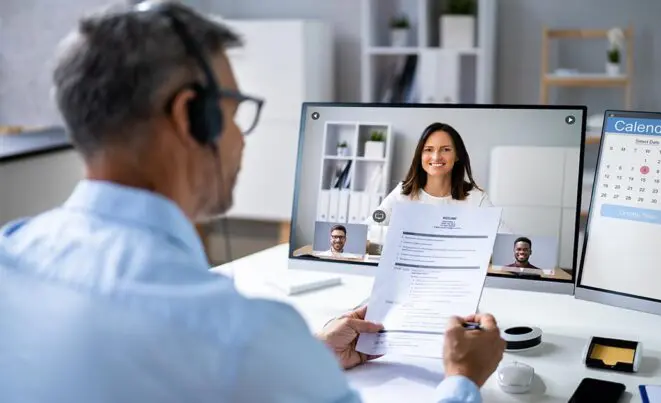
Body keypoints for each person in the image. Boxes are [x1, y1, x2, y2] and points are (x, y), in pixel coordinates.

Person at [0, 2, 505, 402]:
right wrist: (462, 379)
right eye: (236, 109)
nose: (242, 137)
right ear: (191, 117)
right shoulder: (241, 334)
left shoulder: (9, 253)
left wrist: (307, 358)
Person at [365, 122, 501, 247]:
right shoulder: (403, 192)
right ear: (420, 155)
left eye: (445, 149)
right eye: (428, 149)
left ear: (457, 155)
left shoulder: (476, 198)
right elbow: (366, 231)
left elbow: (509, 243)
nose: (436, 157)